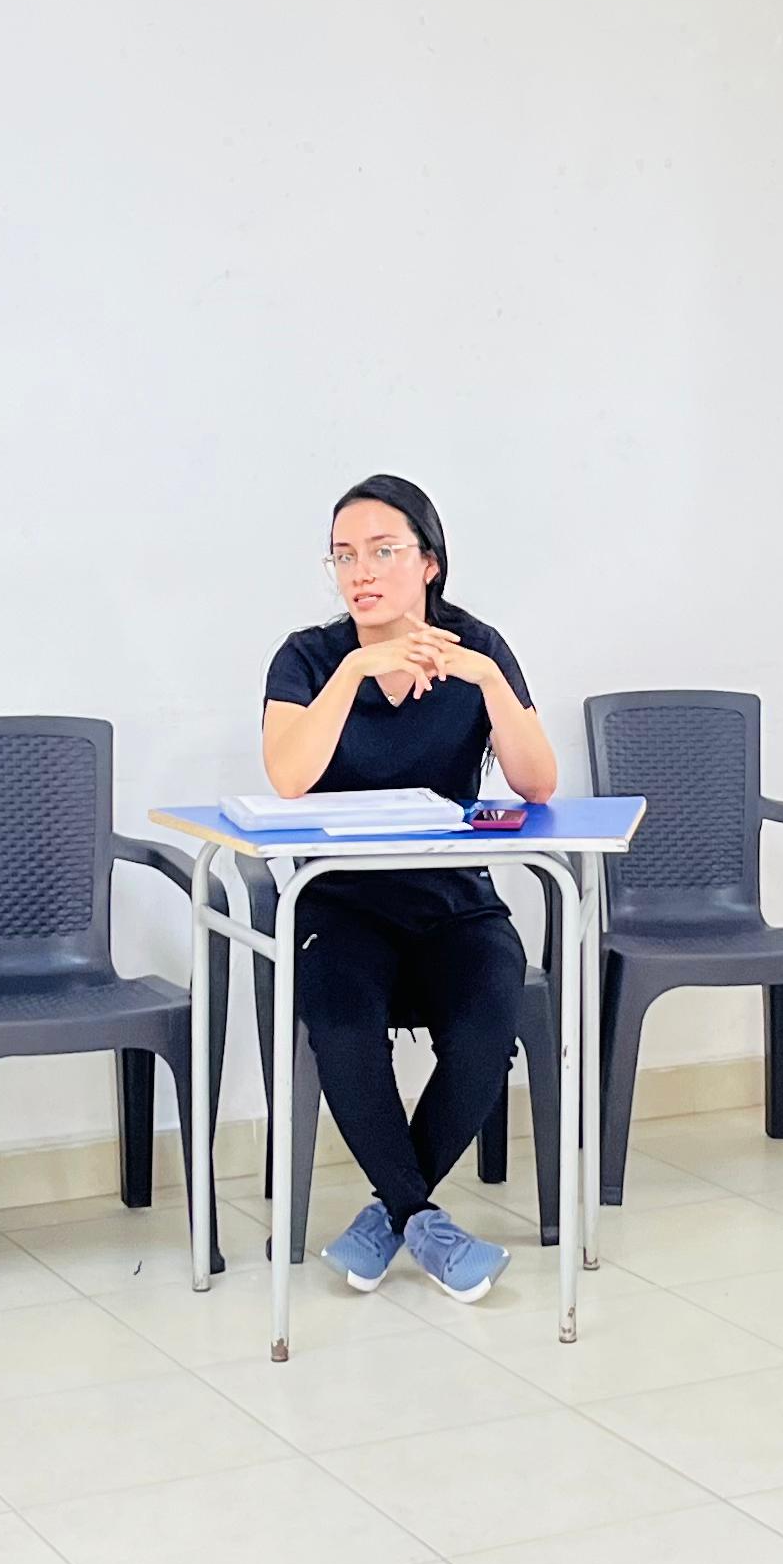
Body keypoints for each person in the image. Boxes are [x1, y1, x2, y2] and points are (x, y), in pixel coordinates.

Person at [265, 474, 558, 1303]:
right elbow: (288, 776)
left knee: (489, 1014)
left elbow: (538, 784)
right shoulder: (309, 658)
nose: (361, 572)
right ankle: (420, 1216)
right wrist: (356, 668)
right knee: (343, 1022)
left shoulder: (477, 646)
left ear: (428, 562)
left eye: (382, 551)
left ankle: (392, 1218)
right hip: (340, 902)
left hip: (453, 900)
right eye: (343, 556)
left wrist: (489, 681)